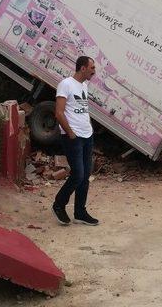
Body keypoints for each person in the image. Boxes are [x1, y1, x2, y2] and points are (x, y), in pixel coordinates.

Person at [52, 56, 99, 226]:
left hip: (87, 136)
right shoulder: (66, 84)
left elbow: (82, 109)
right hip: (73, 137)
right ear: (83, 68)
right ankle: (58, 205)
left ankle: (80, 212)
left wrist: (89, 128)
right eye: (92, 67)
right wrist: (70, 132)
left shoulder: (84, 85)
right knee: (78, 174)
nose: (94, 71)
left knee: (85, 176)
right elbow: (59, 112)